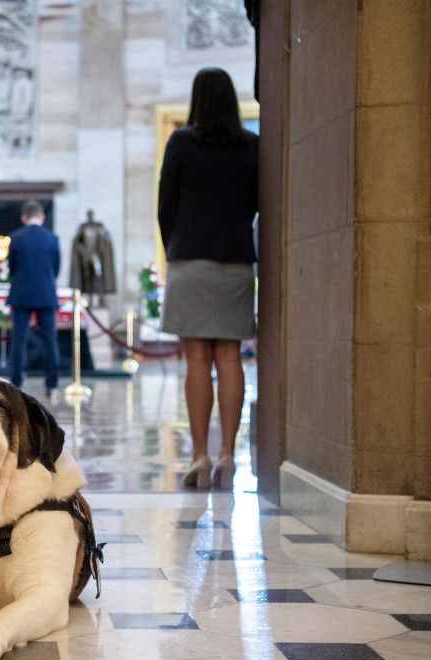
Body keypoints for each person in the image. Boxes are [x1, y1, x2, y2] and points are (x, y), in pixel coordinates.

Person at [158, 67, 258, 491]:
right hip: (234, 260)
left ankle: (199, 455)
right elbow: (257, 205)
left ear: (197, 100)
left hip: (189, 260)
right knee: (230, 357)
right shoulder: (252, 146)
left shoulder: (181, 142)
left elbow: (166, 204)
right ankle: (227, 456)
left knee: (196, 358)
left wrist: (175, 247)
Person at [7, 200, 61, 399]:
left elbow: (11, 267)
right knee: (50, 341)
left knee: (18, 341)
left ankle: (17, 382)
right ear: (42, 217)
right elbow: (56, 268)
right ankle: (52, 385)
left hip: (21, 294)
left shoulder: (16, 238)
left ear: (24, 217)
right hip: (46, 294)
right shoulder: (52, 238)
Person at [70, 209, 117, 303]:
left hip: (96, 256)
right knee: (87, 277)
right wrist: (82, 250)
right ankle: (90, 299)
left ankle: (101, 298)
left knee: (98, 275)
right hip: (85, 256)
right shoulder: (83, 227)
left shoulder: (99, 226)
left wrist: (102, 250)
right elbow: (77, 242)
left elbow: (105, 239)